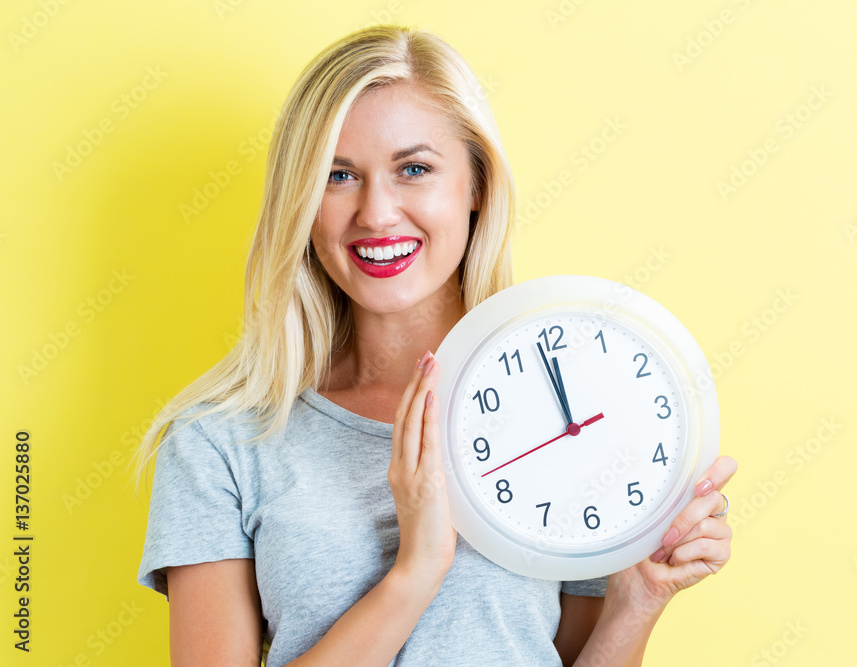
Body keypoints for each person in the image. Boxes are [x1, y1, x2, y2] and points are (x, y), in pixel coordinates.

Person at [130, 23, 737, 667]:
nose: (377, 213)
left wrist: (636, 601)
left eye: (414, 169)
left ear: (475, 186)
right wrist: (415, 570)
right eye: (337, 176)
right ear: (300, 202)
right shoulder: (220, 443)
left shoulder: (569, 411)